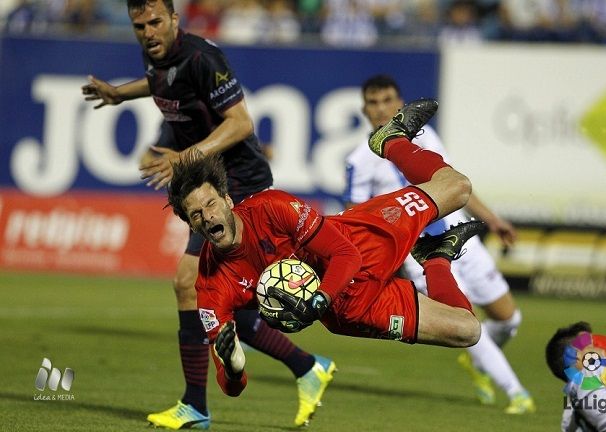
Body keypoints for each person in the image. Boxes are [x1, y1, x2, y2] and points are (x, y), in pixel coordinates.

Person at [80, 0, 335, 428]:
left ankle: (195, 405)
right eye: (139, 25)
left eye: (156, 21)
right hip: (211, 181)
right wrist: (119, 94)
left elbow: (240, 123)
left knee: (189, 282)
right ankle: (309, 368)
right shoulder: (156, 55)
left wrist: (185, 156)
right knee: (241, 312)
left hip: (238, 184)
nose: (148, 31)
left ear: (175, 19)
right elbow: (160, 83)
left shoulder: (203, 57)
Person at [166, 98, 486, 404]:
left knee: (458, 188)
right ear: (192, 226)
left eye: (210, 204)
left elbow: (346, 256)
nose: (207, 216)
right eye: (196, 215)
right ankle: (435, 256)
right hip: (351, 308)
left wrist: (318, 299)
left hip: (361, 241)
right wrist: (233, 370)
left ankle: (391, 141)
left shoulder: (271, 208)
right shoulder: (210, 285)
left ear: (227, 200)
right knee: (467, 331)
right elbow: (230, 385)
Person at [343, 74, 535, 414]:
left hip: (459, 235)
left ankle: (478, 365)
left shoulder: (426, 135)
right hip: (419, 252)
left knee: (509, 318)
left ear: (400, 104)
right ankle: (516, 391)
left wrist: (492, 219)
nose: (381, 108)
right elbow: (355, 217)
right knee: (464, 319)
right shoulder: (359, 160)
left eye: (387, 100)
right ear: (364, 109)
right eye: (373, 103)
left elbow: (452, 184)